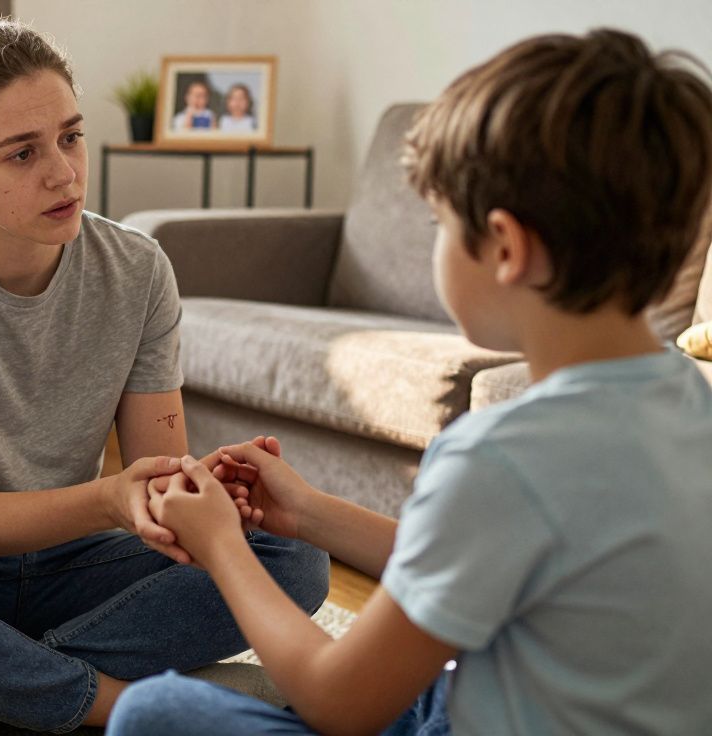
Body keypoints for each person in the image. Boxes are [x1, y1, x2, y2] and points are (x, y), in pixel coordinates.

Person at [109, 28, 712, 736]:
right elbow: (487, 561)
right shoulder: (690, 400)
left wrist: (222, 547)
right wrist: (307, 514)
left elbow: (343, 703)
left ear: (507, 247)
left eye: (439, 224)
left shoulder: (502, 456)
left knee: (156, 711)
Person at [0, 17, 329, 734]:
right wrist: (110, 499)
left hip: (84, 570)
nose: (63, 172)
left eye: (71, 136)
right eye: (21, 153)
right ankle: (107, 702)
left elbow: (155, 478)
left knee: (294, 555)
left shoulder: (137, 269)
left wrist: (205, 494)